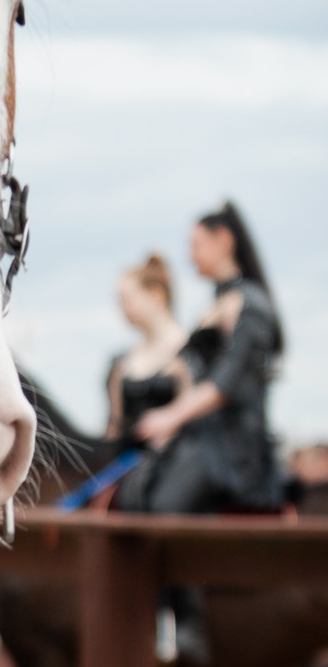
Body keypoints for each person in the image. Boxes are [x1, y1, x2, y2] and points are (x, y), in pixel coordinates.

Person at [118, 201, 283, 514]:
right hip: (199, 441)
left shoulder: (250, 305)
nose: (189, 256)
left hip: (232, 449)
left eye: (195, 244)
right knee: (133, 494)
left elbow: (226, 384)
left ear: (224, 240)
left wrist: (171, 417)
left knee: (163, 507)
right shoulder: (216, 305)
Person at [103, 252, 187, 446]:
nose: (123, 309)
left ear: (156, 294)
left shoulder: (189, 354)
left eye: (126, 299)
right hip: (126, 466)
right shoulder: (122, 362)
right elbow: (113, 427)